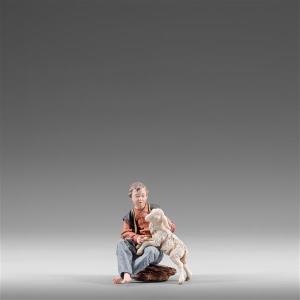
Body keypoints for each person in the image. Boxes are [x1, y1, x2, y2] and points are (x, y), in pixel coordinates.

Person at [112, 181, 176, 284]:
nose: (140, 199)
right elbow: (125, 232)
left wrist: (167, 224)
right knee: (121, 243)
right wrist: (136, 237)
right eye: (137, 196)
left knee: (150, 250)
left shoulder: (155, 210)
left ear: (146, 196)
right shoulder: (130, 215)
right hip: (137, 247)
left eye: (143, 196)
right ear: (131, 197)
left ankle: (126, 274)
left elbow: (171, 227)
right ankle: (127, 274)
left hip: (154, 248)